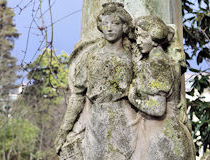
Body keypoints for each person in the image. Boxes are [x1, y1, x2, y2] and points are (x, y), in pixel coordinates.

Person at [55, 2, 138, 160]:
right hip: (95, 121)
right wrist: (65, 130)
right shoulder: (91, 56)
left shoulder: (134, 56)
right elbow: (78, 95)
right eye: (105, 23)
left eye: (115, 23)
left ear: (125, 27)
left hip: (126, 120)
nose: (109, 28)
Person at [128, 16, 196, 160]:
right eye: (137, 36)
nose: (138, 42)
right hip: (167, 133)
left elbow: (158, 109)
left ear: (154, 38)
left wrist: (133, 98)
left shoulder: (157, 65)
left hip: (162, 137)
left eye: (143, 37)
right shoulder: (167, 61)